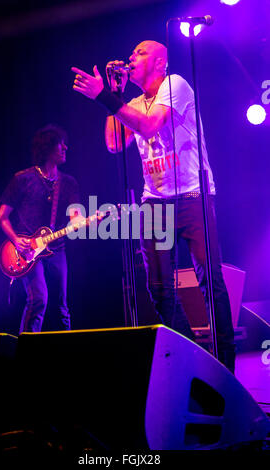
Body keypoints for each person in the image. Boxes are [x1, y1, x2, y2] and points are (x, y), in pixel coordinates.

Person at [71, 40, 236, 373]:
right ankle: (193, 358)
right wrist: (113, 96)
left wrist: (104, 96)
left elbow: (149, 125)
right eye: (131, 53)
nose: (131, 57)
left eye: (140, 53)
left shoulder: (176, 85)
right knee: (159, 288)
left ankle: (225, 364)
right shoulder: (132, 102)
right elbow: (115, 144)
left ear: (160, 63)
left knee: (210, 282)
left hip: (192, 195)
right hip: (155, 202)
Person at [0, 124, 80, 334]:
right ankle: (27, 352)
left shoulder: (68, 183)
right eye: (60, 144)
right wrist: (16, 240)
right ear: (47, 148)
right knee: (39, 300)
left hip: (56, 249)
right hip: (25, 251)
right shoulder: (22, 179)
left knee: (62, 305)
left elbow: (75, 217)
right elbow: (2, 216)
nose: (65, 148)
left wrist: (83, 220)